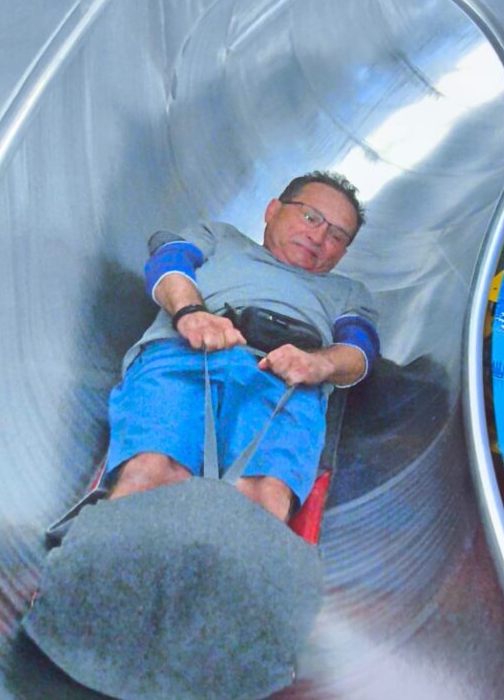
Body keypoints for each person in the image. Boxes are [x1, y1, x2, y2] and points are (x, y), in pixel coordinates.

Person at [106, 172, 380, 521]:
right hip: (186, 354)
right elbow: (168, 261)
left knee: (262, 498)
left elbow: (359, 350)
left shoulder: (348, 292)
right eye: (311, 217)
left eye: (337, 235)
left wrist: (319, 364)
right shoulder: (221, 239)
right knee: (153, 472)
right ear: (272, 210)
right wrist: (191, 313)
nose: (318, 237)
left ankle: (237, 552)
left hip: (285, 381)